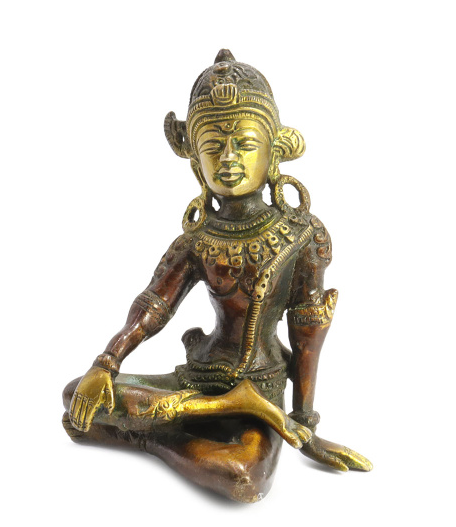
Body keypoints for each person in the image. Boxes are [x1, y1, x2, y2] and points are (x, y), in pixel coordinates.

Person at [62, 49, 371, 502]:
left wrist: (304, 423)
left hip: (263, 384)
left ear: (273, 154)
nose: (228, 158)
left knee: (243, 477)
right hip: (202, 374)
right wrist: (106, 363)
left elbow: (306, 333)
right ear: (196, 164)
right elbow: (152, 308)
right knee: (77, 393)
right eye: (212, 146)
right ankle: (217, 408)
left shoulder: (302, 235)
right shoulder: (197, 241)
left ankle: (152, 434)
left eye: (244, 144)